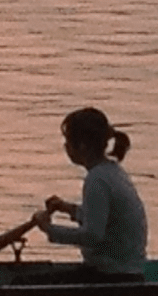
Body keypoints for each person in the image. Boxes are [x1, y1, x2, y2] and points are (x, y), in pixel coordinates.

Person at [32, 106, 148, 278]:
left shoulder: (96, 180)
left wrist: (49, 229)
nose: (65, 147)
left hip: (112, 275)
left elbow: (92, 235)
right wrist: (69, 209)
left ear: (83, 146)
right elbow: (101, 219)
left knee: (22, 280)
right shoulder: (112, 170)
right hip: (126, 270)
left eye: (68, 142)